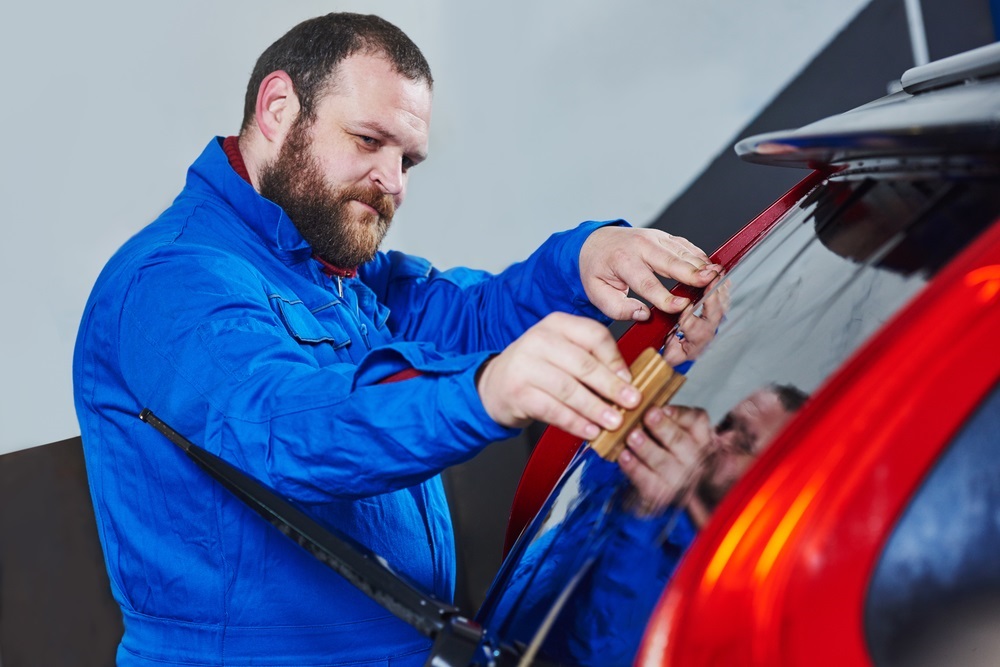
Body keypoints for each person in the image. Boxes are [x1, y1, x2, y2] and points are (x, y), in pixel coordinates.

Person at [72, 13, 722, 667]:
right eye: (367, 140)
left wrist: (586, 258)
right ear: (276, 109)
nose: (394, 182)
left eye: (407, 158)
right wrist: (487, 390)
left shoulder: (337, 274)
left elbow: (469, 318)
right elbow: (289, 425)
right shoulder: (171, 281)